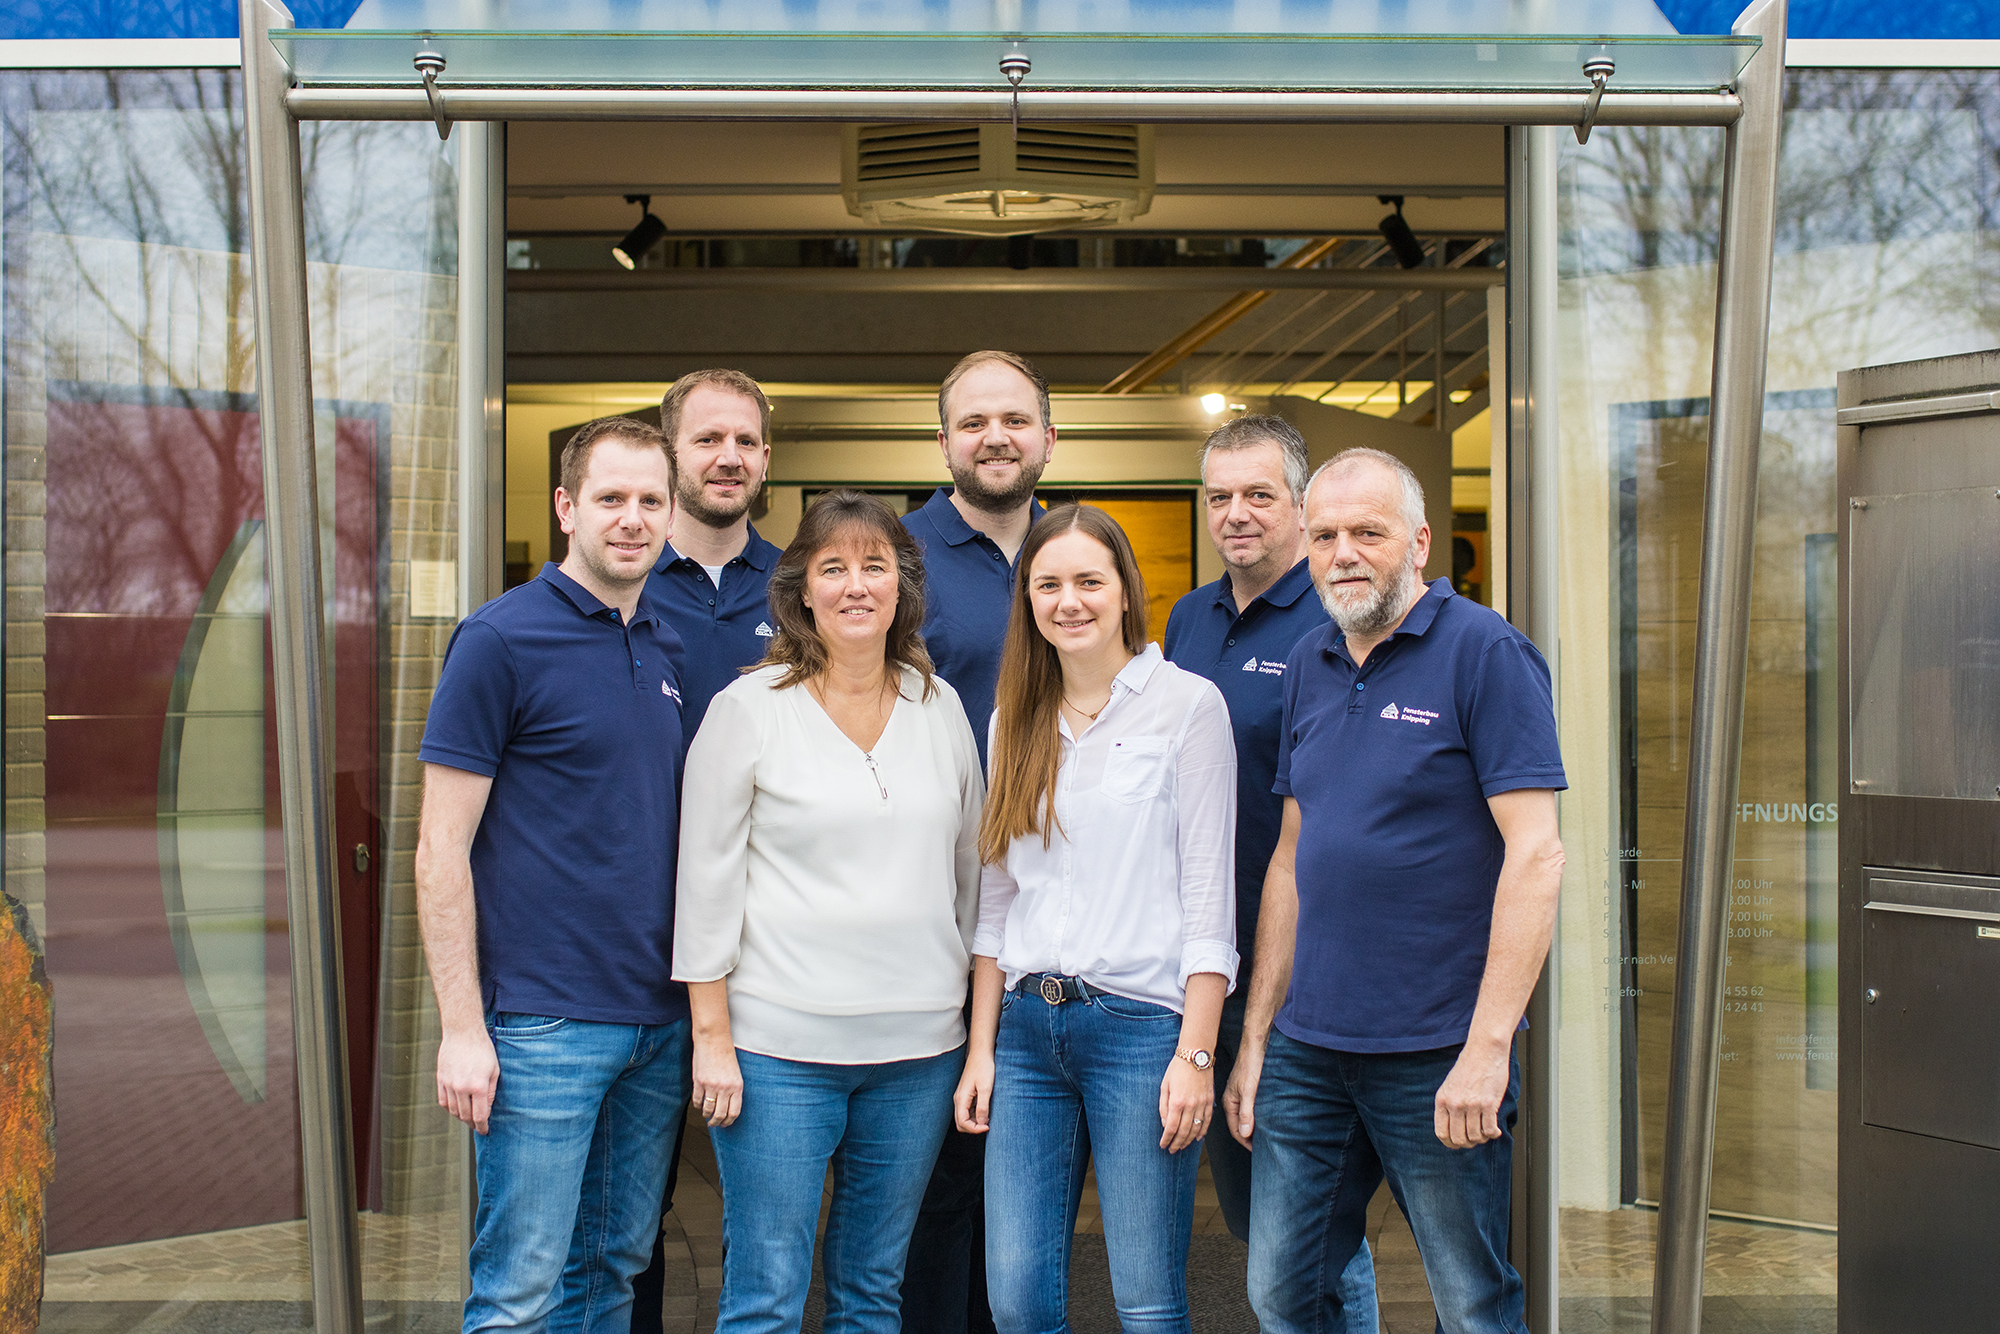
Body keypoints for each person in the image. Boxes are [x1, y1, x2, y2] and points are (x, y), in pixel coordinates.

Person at [1224, 448, 1567, 1334]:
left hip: (1437, 1051)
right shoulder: (1309, 659)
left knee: (1471, 1299)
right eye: (1327, 534)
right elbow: (1293, 858)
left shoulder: (1485, 652)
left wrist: (1488, 1048)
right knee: (1283, 1290)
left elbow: (1536, 856)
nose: (1344, 552)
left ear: (1417, 541)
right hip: (1309, 1048)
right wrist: (1257, 1038)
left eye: (1367, 532)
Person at [674, 490, 985, 1334]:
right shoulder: (748, 709)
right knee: (765, 1299)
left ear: (902, 587)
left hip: (918, 1054)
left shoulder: (941, 707)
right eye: (834, 568)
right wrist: (712, 1041)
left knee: (871, 1293)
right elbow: (703, 885)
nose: (856, 585)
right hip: (778, 1052)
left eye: (874, 567)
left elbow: (971, 875)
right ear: (801, 590)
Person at [417, 416, 691, 1333]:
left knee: (612, 1271)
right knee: (520, 1289)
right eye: (611, 498)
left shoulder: (664, 644)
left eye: (651, 500)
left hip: (656, 1023)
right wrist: (463, 1028)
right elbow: (439, 848)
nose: (632, 518)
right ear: (568, 508)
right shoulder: (499, 640)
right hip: (543, 1024)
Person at [955, 504, 1238, 1334]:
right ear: (1028, 602)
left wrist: (1196, 1053)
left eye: (1089, 580)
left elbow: (1208, 902)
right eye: (1048, 584)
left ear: (1124, 592)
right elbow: (995, 905)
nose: (1068, 601)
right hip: (1026, 1035)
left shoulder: (1190, 706)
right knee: (1015, 1301)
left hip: (1141, 1034)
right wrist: (981, 1051)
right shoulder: (1015, 718)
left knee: (1147, 1302)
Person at [1161, 415, 1378, 1323]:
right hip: (1211, 968)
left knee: (1318, 1228)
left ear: (1297, 503)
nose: (1237, 514)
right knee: (1260, 1219)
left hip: (1307, 973)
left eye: (1259, 495)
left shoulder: (1337, 613)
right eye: (1219, 497)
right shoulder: (1186, 619)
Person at [900, 349, 1055, 1334]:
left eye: (1013, 419)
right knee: (935, 1178)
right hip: (929, 905)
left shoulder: (1082, 544)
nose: (993, 437)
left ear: (1048, 435)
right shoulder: (894, 552)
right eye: (971, 421)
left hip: (1051, 908)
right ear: (943, 439)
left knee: (1026, 1171)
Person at [630, 368, 781, 1333]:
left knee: (765, 1215)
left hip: (770, 944)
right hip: (636, 938)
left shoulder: (806, 588)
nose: (729, 457)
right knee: (631, 1212)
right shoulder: (621, 579)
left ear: (768, 459)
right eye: (708, 440)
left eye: (748, 442)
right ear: (671, 452)